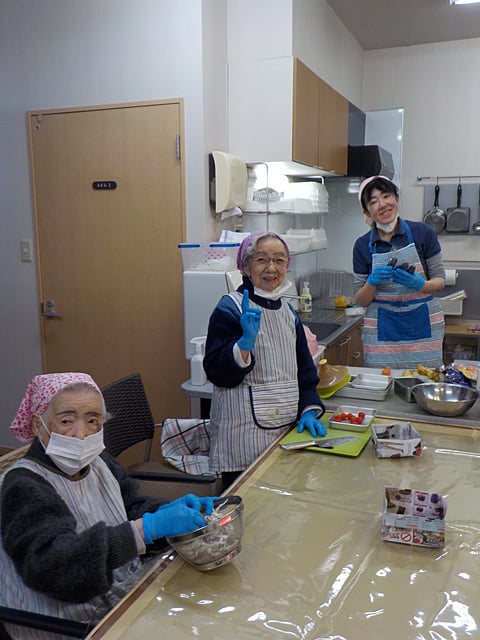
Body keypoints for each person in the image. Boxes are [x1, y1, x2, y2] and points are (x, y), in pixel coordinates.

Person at [0, 372, 217, 640]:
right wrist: (144, 530)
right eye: (66, 420)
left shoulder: (98, 462)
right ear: (37, 424)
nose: (81, 434)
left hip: (114, 597)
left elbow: (130, 505)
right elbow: (55, 568)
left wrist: (165, 511)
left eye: (93, 420)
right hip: (66, 621)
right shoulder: (24, 486)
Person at [203, 230, 326, 490]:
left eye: (279, 260)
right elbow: (216, 373)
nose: (271, 268)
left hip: (285, 432)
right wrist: (243, 345)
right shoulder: (229, 308)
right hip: (242, 439)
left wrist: (309, 409)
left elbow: (305, 373)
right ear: (245, 266)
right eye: (261, 260)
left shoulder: (287, 312)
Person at [353, 175, 446, 370]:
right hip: (382, 329)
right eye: (373, 201)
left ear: (396, 197)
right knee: (382, 381)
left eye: (386, 196)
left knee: (424, 380)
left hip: (422, 324)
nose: (383, 205)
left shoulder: (423, 233)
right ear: (366, 211)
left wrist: (421, 285)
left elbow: (440, 280)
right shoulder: (362, 245)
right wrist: (371, 282)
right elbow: (361, 300)